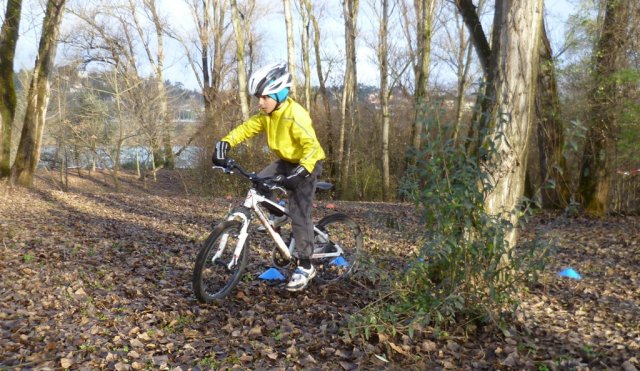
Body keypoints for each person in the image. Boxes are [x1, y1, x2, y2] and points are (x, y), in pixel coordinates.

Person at [212, 62, 326, 292]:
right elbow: (247, 128)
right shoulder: (267, 114)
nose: (260, 102)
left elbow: (311, 148)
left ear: (279, 93)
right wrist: (224, 143)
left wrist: (301, 172)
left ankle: (305, 265)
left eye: (264, 97)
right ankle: (278, 213)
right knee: (258, 183)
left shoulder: (296, 116)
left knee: (300, 215)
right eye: (258, 97)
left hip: (307, 164)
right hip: (285, 161)